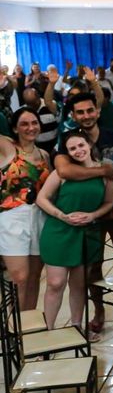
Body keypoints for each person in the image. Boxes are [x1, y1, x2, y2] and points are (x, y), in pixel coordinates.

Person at [37, 130, 113, 337]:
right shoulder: (63, 173)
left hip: (86, 232)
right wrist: (61, 215)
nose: (78, 151)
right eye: (72, 148)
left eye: (81, 145)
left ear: (89, 145)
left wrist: (92, 215)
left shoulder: (106, 173)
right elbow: (41, 198)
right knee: (55, 282)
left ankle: (77, 328)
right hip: (58, 230)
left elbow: (109, 203)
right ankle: (49, 332)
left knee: (79, 284)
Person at [0, 107, 51, 310]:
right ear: (15, 128)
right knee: (19, 277)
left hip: (39, 216)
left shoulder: (45, 155)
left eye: (34, 123)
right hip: (12, 217)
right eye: (24, 124)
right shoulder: (7, 147)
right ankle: (14, 327)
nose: (30, 128)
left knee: (34, 277)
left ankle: (29, 326)